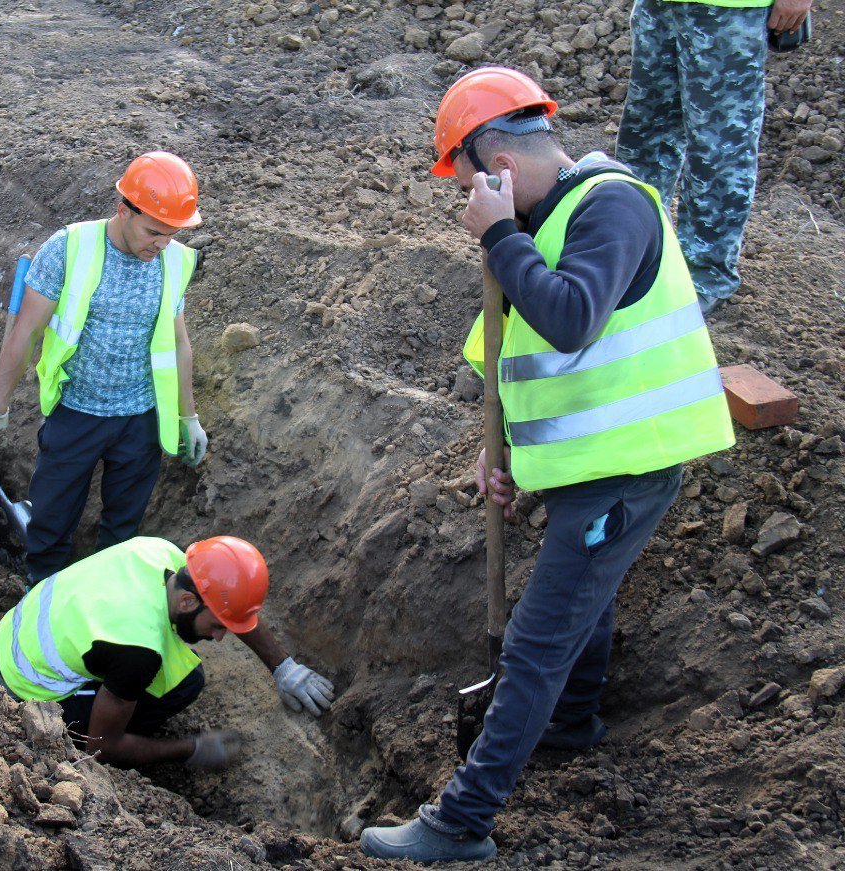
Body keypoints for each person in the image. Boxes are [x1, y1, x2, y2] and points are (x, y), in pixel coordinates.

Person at [361, 67, 735, 862]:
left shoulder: (613, 206)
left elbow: (568, 320)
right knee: (581, 606)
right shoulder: (548, 221)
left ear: (493, 158)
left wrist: (500, 233)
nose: (465, 202)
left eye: (464, 182)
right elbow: (507, 360)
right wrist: (501, 460)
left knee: (536, 642)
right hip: (590, 468)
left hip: (632, 468)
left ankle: (462, 822)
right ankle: (570, 724)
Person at [0, 151, 210, 584]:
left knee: (121, 535)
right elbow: (25, 332)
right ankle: (40, 600)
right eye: (154, 231)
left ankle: (101, 606)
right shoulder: (71, 248)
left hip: (140, 422)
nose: (161, 244)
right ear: (123, 210)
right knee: (50, 524)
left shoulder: (173, 260)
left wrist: (188, 415)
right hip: (76, 414)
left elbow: (178, 342)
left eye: (172, 234)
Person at [0, 536, 334, 769]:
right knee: (184, 685)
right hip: (20, 693)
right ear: (190, 603)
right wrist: (191, 750)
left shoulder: (160, 553)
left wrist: (283, 666)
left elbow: (229, 603)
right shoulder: (138, 651)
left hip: (14, 634)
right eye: (218, 628)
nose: (221, 639)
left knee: (179, 672)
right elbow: (101, 748)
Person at [616, 0, 813, 317]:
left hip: (728, 11)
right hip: (660, 6)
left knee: (718, 151)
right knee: (643, 139)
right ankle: (633, 256)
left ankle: (705, 278)